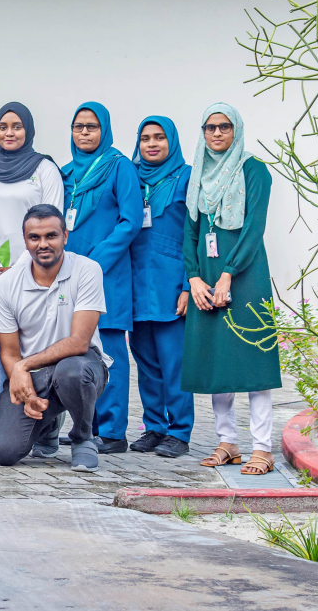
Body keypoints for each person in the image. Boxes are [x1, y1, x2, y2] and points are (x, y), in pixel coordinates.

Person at [182, 104, 280, 476]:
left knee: (253, 361)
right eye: (210, 127)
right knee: (215, 360)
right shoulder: (199, 171)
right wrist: (194, 278)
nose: (217, 134)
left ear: (236, 130)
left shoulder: (254, 170)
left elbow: (254, 229)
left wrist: (227, 276)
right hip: (205, 277)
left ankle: (262, 448)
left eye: (225, 127)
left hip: (246, 274)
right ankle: (228, 442)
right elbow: (189, 229)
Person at [0, 205, 109, 472]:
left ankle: (83, 437)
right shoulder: (6, 284)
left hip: (81, 366)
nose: (43, 244)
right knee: (5, 452)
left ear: (65, 236)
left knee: (71, 372)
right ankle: (50, 424)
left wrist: (23, 366)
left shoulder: (87, 270)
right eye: (34, 237)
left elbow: (79, 342)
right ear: (25, 241)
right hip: (35, 375)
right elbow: (9, 352)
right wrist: (26, 388)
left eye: (51, 236)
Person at [60, 101, 143, 454]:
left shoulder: (119, 166)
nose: (84, 133)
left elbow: (131, 220)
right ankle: (85, 427)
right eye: (79, 127)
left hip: (106, 274)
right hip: (69, 275)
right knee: (78, 350)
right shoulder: (66, 173)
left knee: (110, 351)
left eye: (91, 127)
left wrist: (95, 262)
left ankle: (112, 431)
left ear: (104, 129)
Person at [128, 116, 194, 458]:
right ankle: (154, 427)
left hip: (171, 285)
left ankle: (179, 432)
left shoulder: (186, 177)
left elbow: (193, 235)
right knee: (147, 363)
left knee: (174, 363)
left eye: (159, 138)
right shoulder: (131, 179)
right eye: (145, 138)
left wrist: (187, 286)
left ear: (172, 141)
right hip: (137, 284)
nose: (152, 144)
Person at [0, 102, 63, 281]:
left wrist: (19, 268)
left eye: (17, 127)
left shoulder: (45, 170)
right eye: (3, 127)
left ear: (28, 130)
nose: (9, 133)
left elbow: (53, 223)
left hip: (36, 271)